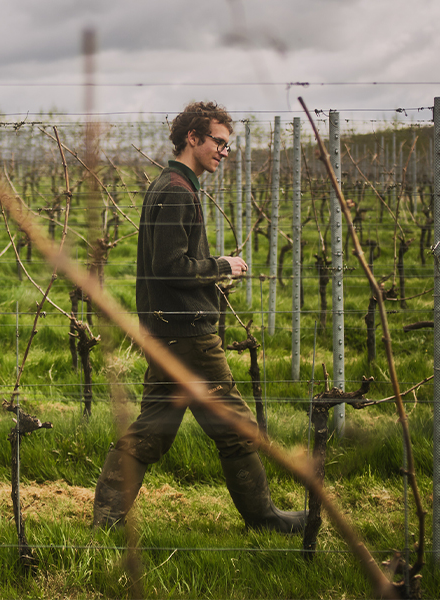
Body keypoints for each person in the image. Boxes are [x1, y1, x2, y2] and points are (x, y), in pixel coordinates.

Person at [91, 101, 306, 534]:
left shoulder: (170, 185)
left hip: (168, 330)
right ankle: (264, 520)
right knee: (236, 428)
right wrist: (221, 266)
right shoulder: (176, 190)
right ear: (193, 137)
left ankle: (106, 524)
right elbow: (169, 266)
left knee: (153, 428)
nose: (224, 152)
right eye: (219, 142)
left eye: (228, 145)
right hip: (187, 333)